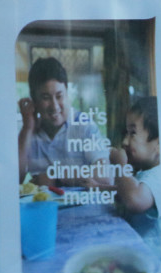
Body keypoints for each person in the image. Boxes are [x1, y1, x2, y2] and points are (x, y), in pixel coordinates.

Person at [18, 56, 110, 187]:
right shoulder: (29, 131)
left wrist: (54, 179)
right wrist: (27, 128)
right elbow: (14, 181)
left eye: (59, 96)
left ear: (67, 94)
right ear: (34, 100)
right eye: (46, 98)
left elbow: (105, 177)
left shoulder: (83, 125)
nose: (54, 106)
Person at [109, 97, 161, 252]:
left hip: (149, 260)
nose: (125, 141)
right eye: (126, 133)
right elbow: (125, 194)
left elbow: (134, 200)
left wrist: (120, 165)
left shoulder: (159, 174)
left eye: (132, 133)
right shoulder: (144, 172)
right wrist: (98, 188)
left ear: (159, 144)